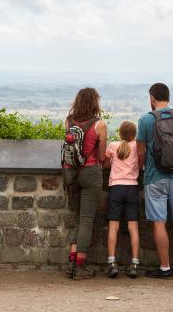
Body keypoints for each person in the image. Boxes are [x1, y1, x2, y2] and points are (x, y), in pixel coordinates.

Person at [136, 83, 173, 278]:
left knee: (159, 222)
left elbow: (140, 151)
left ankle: (165, 268)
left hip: (154, 177)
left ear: (152, 98)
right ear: (168, 98)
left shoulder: (145, 120)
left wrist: (142, 170)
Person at [63, 87, 108, 280]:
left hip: (70, 173)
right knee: (87, 220)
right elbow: (102, 155)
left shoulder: (69, 121)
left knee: (79, 218)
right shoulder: (100, 125)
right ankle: (80, 266)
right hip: (90, 173)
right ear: (94, 102)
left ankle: (72, 263)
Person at [102, 121, 140, 278]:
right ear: (134, 135)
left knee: (113, 227)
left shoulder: (112, 146)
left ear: (119, 133)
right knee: (133, 228)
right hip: (132, 188)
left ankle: (112, 263)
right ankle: (135, 263)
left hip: (116, 188)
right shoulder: (137, 146)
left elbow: (104, 164)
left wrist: (111, 162)